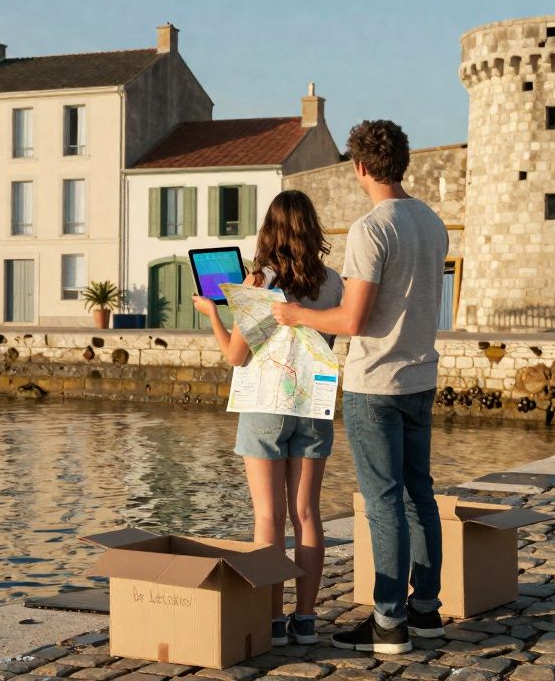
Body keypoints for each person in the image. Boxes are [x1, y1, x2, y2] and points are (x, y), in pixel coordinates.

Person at [272, 120, 448, 654]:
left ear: (361, 167)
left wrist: (295, 314)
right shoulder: (433, 222)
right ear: (403, 162)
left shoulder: (372, 229)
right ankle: (426, 610)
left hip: (378, 384)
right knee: (420, 493)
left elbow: (352, 320)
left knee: (384, 501)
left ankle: (389, 622)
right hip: (421, 377)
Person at [192, 189, 343, 647]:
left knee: (268, 516)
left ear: (269, 230)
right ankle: (307, 617)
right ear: (311, 229)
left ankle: (274, 619)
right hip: (313, 406)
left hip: (266, 405)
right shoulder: (333, 281)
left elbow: (237, 355)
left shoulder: (260, 281)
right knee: (307, 513)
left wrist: (213, 314)